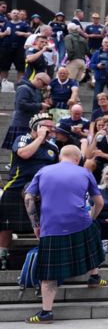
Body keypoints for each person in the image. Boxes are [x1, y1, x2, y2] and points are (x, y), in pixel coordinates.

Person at [23, 145, 107, 323]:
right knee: (93, 237)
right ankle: (94, 276)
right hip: (80, 222)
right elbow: (99, 202)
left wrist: (35, 225)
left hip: (51, 226)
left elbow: (28, 198)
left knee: (49, 273)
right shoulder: (85, 172)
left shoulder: (44, 171)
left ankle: (46, 312)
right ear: (78, 159)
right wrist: (91, 217)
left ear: (60, 157)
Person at [0, 114, 59, 269]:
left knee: (45, 223)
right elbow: (24, 154)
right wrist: (39, 139)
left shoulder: (53, 147)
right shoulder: (23, 138)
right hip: (16, 187)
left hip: (43, 190)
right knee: (6, 225)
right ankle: (2, 255)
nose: (51, 129)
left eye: (52, 127)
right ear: (37, 127)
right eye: (47, 126)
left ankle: (46, 254)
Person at [3, 72, 49, 151]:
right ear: (38, 79)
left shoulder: (37, 91)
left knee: (28, 149)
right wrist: (40, 105)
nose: (44, 87)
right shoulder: (23, 88)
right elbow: (20, 105)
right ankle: (13, 164)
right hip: (21, 123)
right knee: (17, 149)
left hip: (30, 123)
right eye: (44, 84)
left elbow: (37, 103)